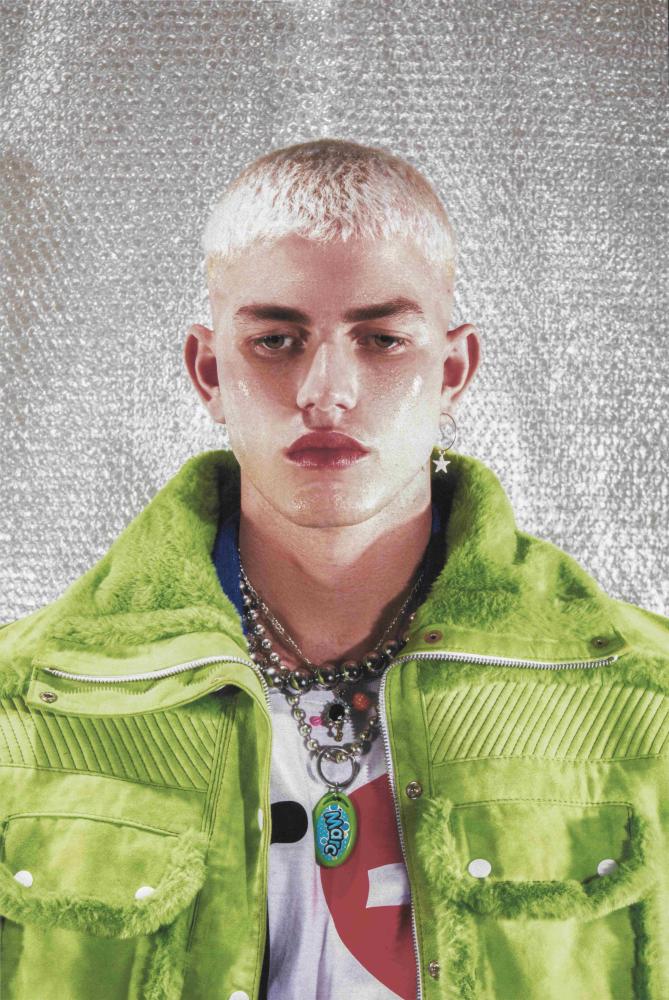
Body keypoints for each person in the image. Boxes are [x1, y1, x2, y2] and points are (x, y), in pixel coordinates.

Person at [0, 138, 666, 1000]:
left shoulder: (640, 698)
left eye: (381, 339)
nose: (325, 390)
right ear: (208, 371)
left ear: (452, 369)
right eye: (276, 340)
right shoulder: (26, 705)